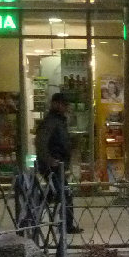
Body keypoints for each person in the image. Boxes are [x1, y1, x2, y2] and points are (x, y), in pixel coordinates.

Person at [35, 92, 83, 234]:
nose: (66, 107)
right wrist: (50, 160)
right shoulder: (51, 121)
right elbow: (41, 142)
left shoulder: (59, 121)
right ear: (56, 104)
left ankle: (31, 214)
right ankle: (66, 225)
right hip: (52, 165)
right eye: (63, 104)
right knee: (64, 193)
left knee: (52, 193)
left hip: (57, 163)